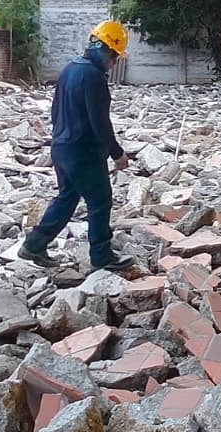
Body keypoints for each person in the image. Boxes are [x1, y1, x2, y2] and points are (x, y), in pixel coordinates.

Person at [18, 20, 135, 272]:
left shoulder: (70, 69)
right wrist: (117, 152)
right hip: (84, 152)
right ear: (104, 49)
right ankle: (102, 255)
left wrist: (60, 137)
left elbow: (56, 110)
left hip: (62, 147)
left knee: (68, 197)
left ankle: (34, 244)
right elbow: (99, 121)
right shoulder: (93, 77)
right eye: (114, 57)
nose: (114, 63)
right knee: (100, 200)